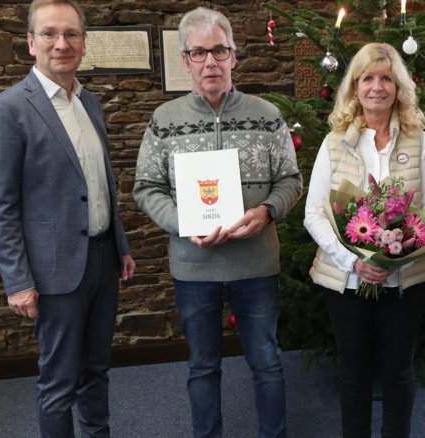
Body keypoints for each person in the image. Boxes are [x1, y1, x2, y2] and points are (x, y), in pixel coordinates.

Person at [132, 7, 302, 438]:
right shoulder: (164, 121)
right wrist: (183, 221)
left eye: (220, 51)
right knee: (202, 367)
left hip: (256, 263)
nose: (211, 62)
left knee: (266, 361)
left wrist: (267, 212)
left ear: (233, 56)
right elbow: (146, 187)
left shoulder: (267, 115)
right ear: (185, 60)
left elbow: (291, 180)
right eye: (200, 52)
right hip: (195, 267)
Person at [0, 1, 136, 436]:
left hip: (103, 260)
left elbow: (101, 181)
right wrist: (17, 280)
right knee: (59, 383)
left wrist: (120, 245)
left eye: (71, 34)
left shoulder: (90, 103)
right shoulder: (8, 110)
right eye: (49, 34)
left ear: (84, 43)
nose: (61, 44)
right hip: (54, 272)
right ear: (31, 42)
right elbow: (1, 204)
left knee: (97, 371)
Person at [303, 42, 425, 437]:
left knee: (398, 373)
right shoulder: (334, 143)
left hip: (404, 282)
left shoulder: (421, 142)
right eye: (368, 78)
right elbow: (314, 213)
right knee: (354, 375)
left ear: (399, 87)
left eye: (386, 78)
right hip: (345, 281)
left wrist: (389, 261)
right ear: (355, 86)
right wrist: (355, 263)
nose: (377, 87)